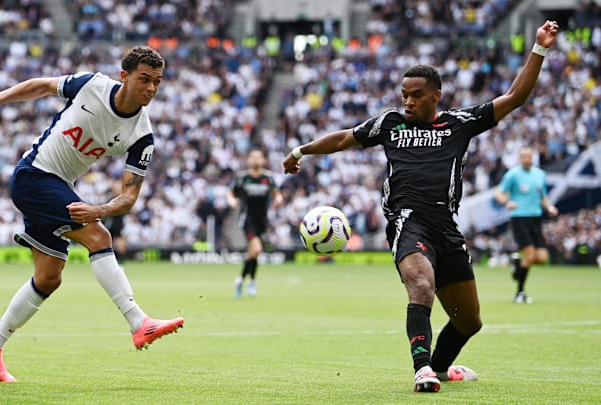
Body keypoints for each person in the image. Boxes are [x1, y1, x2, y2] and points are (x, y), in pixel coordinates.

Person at [282, 21, 559, 393]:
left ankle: (441, 367)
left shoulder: (460, 123)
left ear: (435, 96)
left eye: (415, 95)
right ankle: (423, 368)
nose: (407, 101)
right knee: (421, 285)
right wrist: (301, 151)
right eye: (404, 95)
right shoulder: (390, 123)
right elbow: (345, 137)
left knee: (468, 321)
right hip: (407, 220)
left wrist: (539, 48)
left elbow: (514, 97)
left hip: (445, 225)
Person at [0, 46, 184, 383]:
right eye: (145, 79)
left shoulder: (142, 135)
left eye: (157, 82)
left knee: (49, 278)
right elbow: (41, 86)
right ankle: (138, 322)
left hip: (56, 185)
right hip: (34, 175)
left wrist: (97, 209)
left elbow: (129, 196)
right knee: (99, 236)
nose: (151, 89)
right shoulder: (92, 85)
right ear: (124, 76)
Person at [494, 147, 558, 303]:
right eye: (523, 156)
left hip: (535, 218)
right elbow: (499, 193)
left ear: (533, 157)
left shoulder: (540, 175)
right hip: (519, 217)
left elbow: (543, 196)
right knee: (529, 256)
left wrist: (549, 207)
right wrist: (507, 202)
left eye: (528, 156)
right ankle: (520, 293)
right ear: (520, 158)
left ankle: (518, 265)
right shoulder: (513, 174)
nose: (526, 159)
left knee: (542, 258)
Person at [227, 147, 283, 298]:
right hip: (247, 219)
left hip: (262, 220)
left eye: (259, 157)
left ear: (263, 160)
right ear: (248, 160)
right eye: (253, 157)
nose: (256, 160)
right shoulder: (242, 177)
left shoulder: (268, 178)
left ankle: (241, 280)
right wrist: (232, 200)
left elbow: (277, 194)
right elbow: (231, 193)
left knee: (253, 254)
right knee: (256, 249)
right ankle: (251, 282)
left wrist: (278, 200)